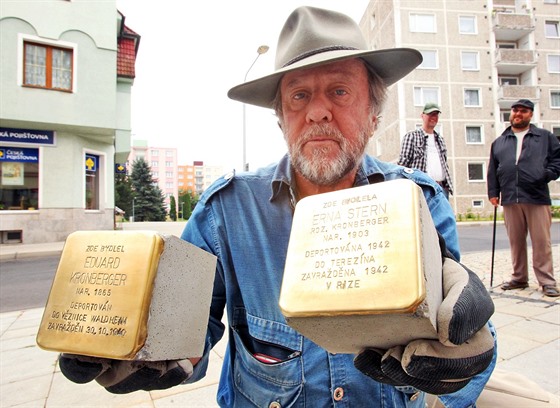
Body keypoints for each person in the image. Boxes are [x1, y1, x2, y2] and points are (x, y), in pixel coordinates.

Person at [58, 7, 498, 407]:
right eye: (299, 96)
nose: (318, 112)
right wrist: (141, 353)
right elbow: (188, 327)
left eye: (340, 91)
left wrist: (462, 356)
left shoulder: (420, 201)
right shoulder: (224, 212)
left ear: (373, 113)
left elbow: (458, 326)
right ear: (281, 119)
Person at [487, 98, 560, 298]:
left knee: (541, 241)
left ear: (530, 114)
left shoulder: (544, 137)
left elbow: (557, 160)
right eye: (515, 110)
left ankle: (547, 281)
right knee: (516, 241)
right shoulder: (500, 142)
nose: (518, 114)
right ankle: (519, 278)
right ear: (511, 113)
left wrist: (546, 174)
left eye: (523, 111)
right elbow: (493, 169)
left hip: (536, 196)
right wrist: (493, 193)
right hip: (510, 197)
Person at [398, 103, 454, 199]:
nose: (433, 117)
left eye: (436, 114)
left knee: (444, 214)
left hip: (441, 189)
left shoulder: (440, 140)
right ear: (422, 116)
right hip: (422, 188)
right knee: (423, 214)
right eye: (430, 114)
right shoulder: (411, 136)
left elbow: (445, 165)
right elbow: (402, 166)